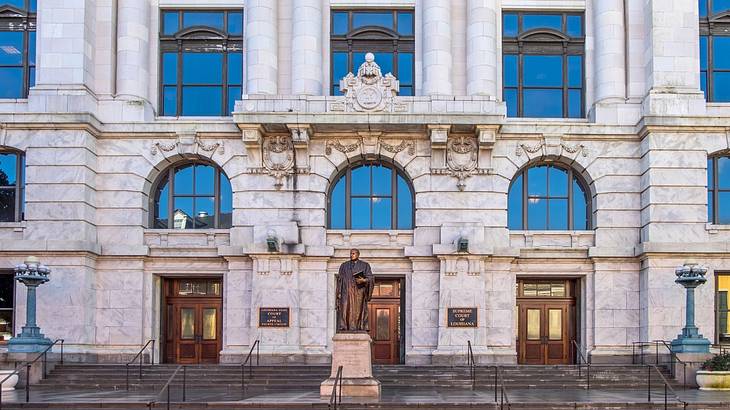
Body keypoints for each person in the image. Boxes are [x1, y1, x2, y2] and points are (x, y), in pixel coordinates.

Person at [336, 249, 374, 332]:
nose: (351, 255)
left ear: (358, 254)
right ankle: (344, 327)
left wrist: (363, 280)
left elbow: (370, 278)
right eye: (350, 253)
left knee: (358, 310)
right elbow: (339, 280)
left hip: (358, 292)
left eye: (353, 253)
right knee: (345, 308)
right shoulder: (344, 265)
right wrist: (339, 293)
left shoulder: (365, 265)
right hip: (346, 291)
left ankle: (358, 327)